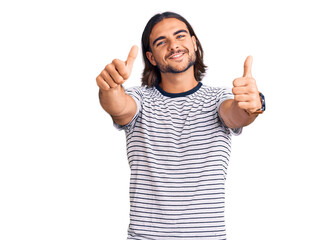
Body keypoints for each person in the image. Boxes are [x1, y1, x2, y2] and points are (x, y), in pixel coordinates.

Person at [96, 11, 265, 240]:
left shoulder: (219, 98)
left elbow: (236, 114)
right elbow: (119, 107)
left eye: (180, 36)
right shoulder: (140, 99)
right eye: (161, 42)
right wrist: (110, 87)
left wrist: (253, 104)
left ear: (194, 43)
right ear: (152, 57)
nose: (173, 46)